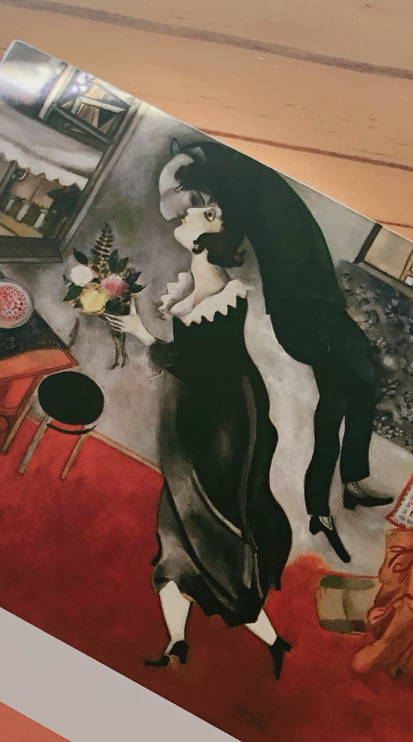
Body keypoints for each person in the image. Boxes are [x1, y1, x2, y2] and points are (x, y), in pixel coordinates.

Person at [158, 140, 391, 564]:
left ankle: (323, 506)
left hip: (308, 305)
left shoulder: (241, 176)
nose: (204, 207)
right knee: (361, 380)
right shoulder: (239, 182)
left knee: (335, 400)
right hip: (307, 307)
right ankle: (349, 482)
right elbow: (245, 237)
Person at [108, 203, 294, 678]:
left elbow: (202, 369)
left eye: (207, 213)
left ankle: (273, 640)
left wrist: (141, 333)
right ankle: (177, 641)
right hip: (192, 416)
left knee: (211, 529)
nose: (191, 210)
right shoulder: (195, 285)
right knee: (175, 526)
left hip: (220, 427)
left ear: (206, 241)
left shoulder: (228, 296)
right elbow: (188, 361)